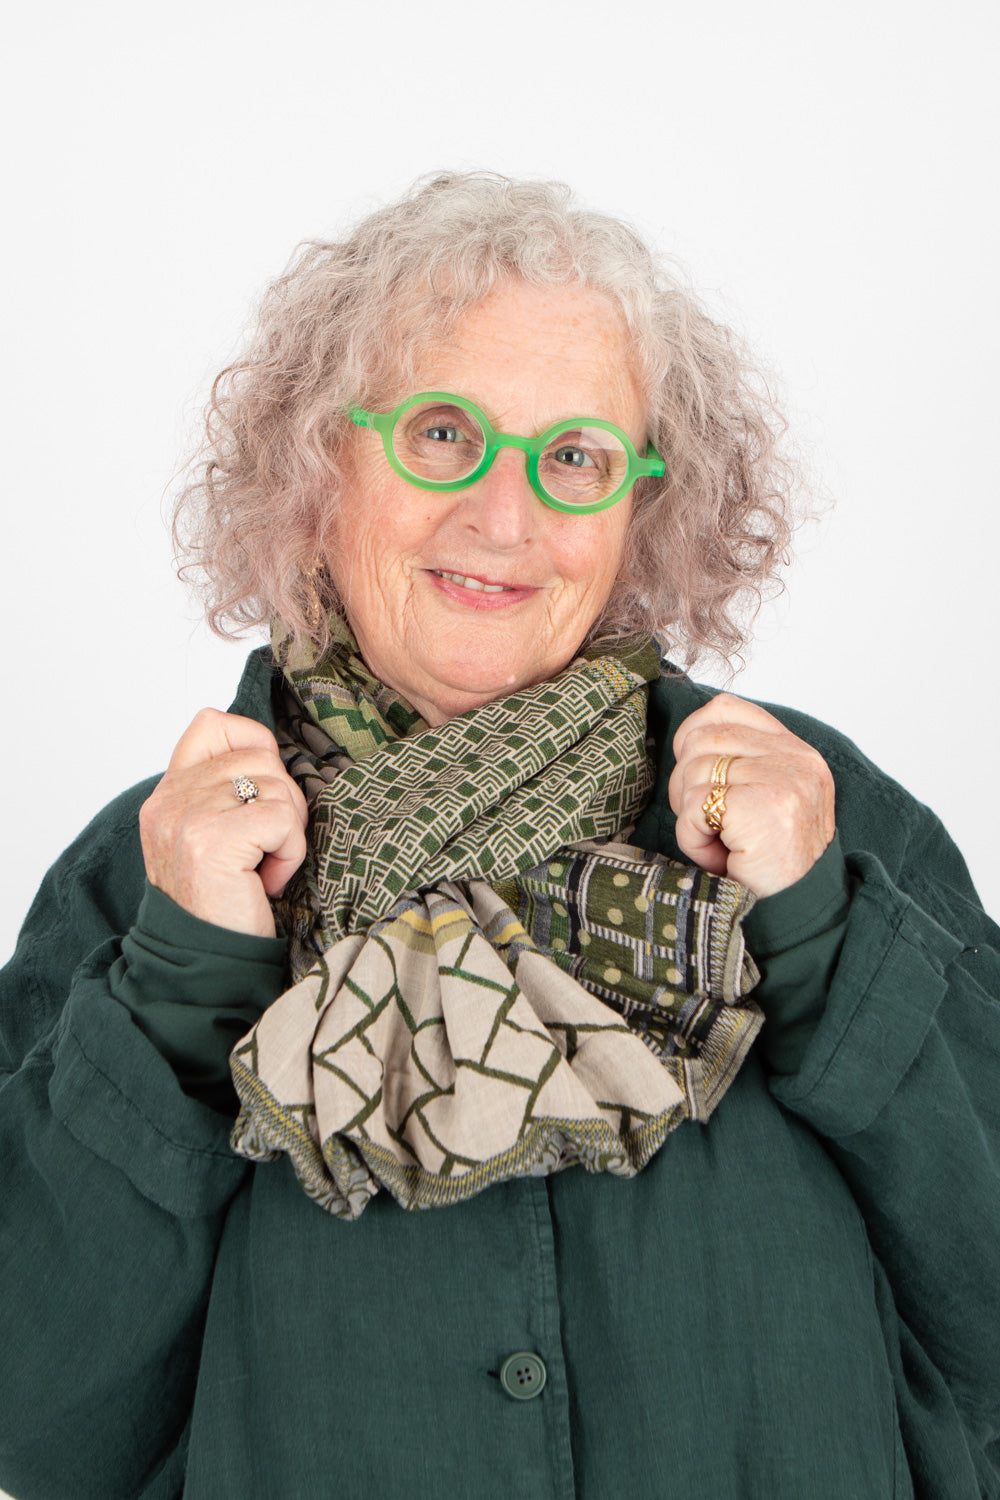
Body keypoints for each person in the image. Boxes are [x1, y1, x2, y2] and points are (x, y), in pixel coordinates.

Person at [1, 172, 997, 1500]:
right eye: (442, 435)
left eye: (575, 456)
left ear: (643, 509)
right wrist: (179, 990)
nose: (507, 516)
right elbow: (38, 1412)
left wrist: (824, 936)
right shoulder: (151, 877)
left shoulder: (818, 816)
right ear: (319, 465)